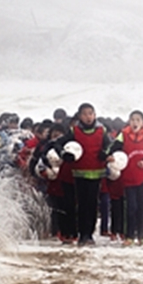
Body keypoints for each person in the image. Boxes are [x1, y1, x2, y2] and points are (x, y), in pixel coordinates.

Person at [54, 103, 111, 246]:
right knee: (81, 205)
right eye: (85, 114)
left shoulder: (101, 131)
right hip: (79, 174)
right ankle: (81, 235)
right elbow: (57, 144)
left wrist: (106, 154)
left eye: (91, 113)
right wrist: (64, 154)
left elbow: (111, 145)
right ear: (79, 116)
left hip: (97, 174)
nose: (88, 117)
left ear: (95, 115)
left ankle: (89, 235)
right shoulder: (74, 131)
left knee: (92, 205)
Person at [107, 110, 143, 246]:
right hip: (128, 177)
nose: (135, 122)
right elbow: (112, 149)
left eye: (138, 120)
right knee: (130, 207)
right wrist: (110, 157)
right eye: (133, 119)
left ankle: (142, 236)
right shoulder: (124, 135)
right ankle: (129, 236)